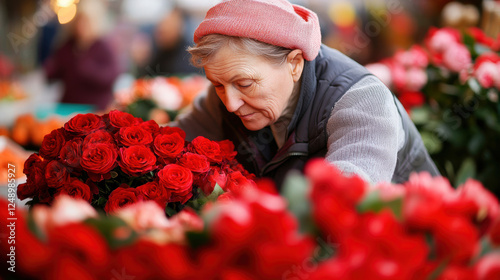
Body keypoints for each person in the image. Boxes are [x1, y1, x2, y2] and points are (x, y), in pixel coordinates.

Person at [173, 0, 440, 188]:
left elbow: (343, 202)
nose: (230, 104)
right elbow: (170, 142)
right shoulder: (225, 93)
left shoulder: (361, 100)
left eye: (244, 84)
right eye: (218, 85)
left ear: (295, 64)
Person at [43, 0, 120, 111]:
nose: (81, 26)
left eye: (86, 21)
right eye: (79, 20)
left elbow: (110, 77)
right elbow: (53, 72)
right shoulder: (68, 45)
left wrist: (87, 68)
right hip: (68, 107)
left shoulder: (103, 47)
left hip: (95, 108)